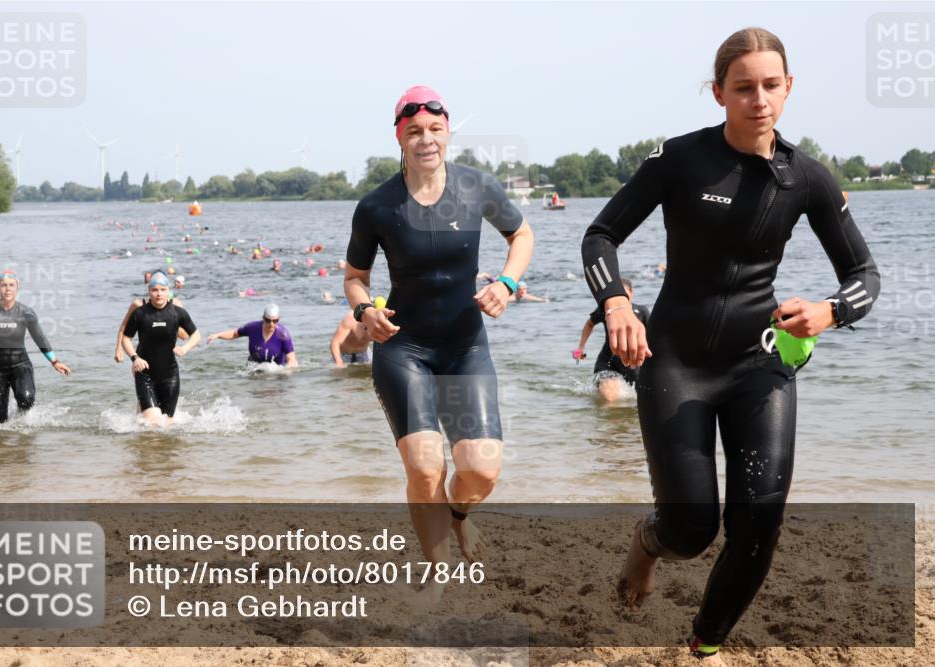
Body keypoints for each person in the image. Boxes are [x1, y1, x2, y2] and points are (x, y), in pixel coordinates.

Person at [581, 28, 880, 661]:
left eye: (771, 85)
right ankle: (648, 543)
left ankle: (704, 645)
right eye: (743, 87)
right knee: (692, 527)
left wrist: (830, 310)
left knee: (758, 522)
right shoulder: (680, 160)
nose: (759, 99)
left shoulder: (807, 179)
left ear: (789, 88)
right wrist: (615, 304)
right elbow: (601, 235)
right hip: (676, 363)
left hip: (759, 364)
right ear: (719, 93)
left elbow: (865, 277)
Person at [344, 85, 534, 602]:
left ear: (447, 131)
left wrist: (508, 284)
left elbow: (522, 236)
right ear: (399, 138)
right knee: (426, 466)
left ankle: (458, 516)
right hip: (403, 349)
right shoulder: (377, 206)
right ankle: (437, 566)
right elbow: (355, 276)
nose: (425, 140)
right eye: (414, 132)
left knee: (479, 470)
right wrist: (365, 310)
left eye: (434, 129)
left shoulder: (477, 187)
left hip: (465, 347)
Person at [0, 271, 72, 423]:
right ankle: (0, 443)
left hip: (21, 364)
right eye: (4, 285)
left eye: (11, 285)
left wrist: (55, 361)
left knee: (27, 400)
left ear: (17, 287)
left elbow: (40, 338)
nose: (8, 289)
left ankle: (21, 432)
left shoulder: (26, 313)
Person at [121, 272, 200, 425]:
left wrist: (186, 348)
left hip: (170, 377)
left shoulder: (177, 313)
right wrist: (134, 358)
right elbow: (126, 338)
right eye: (155, 290)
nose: (158, 294)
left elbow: (196, 335)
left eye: (162, 290)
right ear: (149, 291)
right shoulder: (140, 313)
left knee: (167, 425)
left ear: (168, 290)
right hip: (145, 375)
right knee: (153, 422)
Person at [574, 278, 649, 401]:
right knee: (609, 397)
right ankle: (608, 418)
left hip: (633, 364)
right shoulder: (607, 311)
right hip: (608, 362)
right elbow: (589, 324)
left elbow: (653, 336)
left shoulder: (642, 311)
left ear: (631, 293)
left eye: (625, 293)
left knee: (639, 400)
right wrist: (580, 347)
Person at [114, 269, 186, 362]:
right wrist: (118, 348)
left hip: (167, 358)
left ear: (167, 288)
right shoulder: (138, 304)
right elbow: (124, 327)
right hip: (142, 356)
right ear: (150, 288)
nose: (159, 292)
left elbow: (184, 336)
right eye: (155, 288)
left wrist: (168, 319)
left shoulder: (175, 305)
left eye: (162, 287)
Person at [206, 303, 298, 367]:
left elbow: (292, 360)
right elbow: (234, 333)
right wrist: (217, 335)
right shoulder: (253, 328)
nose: (271, 324)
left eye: (275, 321)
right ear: (263, 318)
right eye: (268, 320)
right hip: (255, 368)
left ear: (279, 319)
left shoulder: (283, 335)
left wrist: (285, 371)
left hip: (277, 370)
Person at [330, 297, 386, 367]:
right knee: (340, 375)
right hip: (344, 355)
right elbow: (335, 342)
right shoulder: (351, 318)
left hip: (364, 354)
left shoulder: (383, 322)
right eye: (376, 313)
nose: (378, 317)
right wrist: (338, 361)